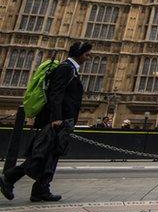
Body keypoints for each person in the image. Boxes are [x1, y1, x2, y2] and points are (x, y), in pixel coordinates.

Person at [1, 41, 92, 202]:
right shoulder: (65, 68)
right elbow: (55, 94)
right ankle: (9, 178)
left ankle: (40, 190)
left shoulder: (71, 70)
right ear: (79, 54)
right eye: (87, 54)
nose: (89, 56)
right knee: (41, 155)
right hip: (56, 121)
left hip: (63, 120)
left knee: (51, 155)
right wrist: (56, 117)